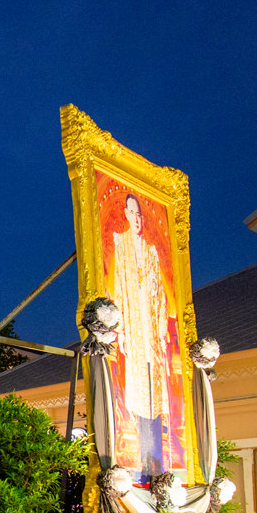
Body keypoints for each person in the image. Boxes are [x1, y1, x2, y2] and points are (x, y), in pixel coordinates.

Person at [111, 192, 172, 481]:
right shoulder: (120, 244)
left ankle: (156, 465)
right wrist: (121, 329)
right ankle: (138, 466)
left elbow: (160, 293)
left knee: (155, 396)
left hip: (150, 335)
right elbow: (119, 288)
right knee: (135, 398)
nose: (136, 219)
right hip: (133, 331)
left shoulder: (151, 251)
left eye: (140, 215)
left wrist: (160, 331)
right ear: (125, 213)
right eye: (132, 213)